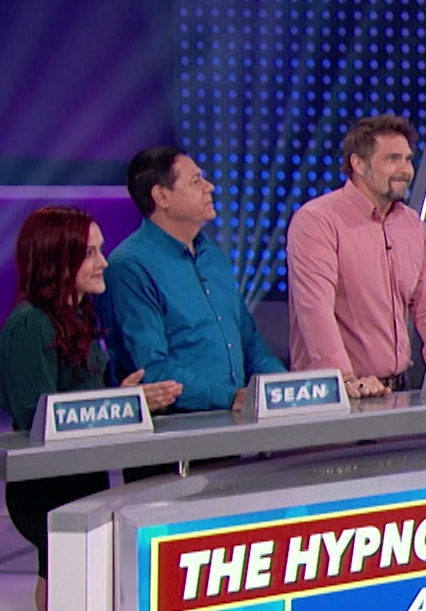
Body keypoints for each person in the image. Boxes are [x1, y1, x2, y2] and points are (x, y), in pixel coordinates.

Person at [0, 206, 180, 611]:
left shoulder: (78, 318)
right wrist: (119, 401)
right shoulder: (30, 324)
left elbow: (84, 407)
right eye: (90, 252)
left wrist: (126, 400)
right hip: (46, 488)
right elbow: (40, 413)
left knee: (68, 599)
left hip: (84, 480)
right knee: (55, 600)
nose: (103, 262)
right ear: (57, 259)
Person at [287, 114, 426, 398]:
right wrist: (344, 380)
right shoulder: (317, 221)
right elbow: (315, 309)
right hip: (335, 394)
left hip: (396, 390)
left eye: (408, 159)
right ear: (358, 164)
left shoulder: (412, 225)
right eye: (392, 159)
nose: (405, 170)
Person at [100, 146, 287, 416]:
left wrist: (284, 388)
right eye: (196, 181)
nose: (209, 187)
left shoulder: (213, 257)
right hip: (177, 429)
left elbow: (249, 343)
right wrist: (229, 397)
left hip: (236, 421)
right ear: (162, 196)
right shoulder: (129, 266)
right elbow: (152, 368)